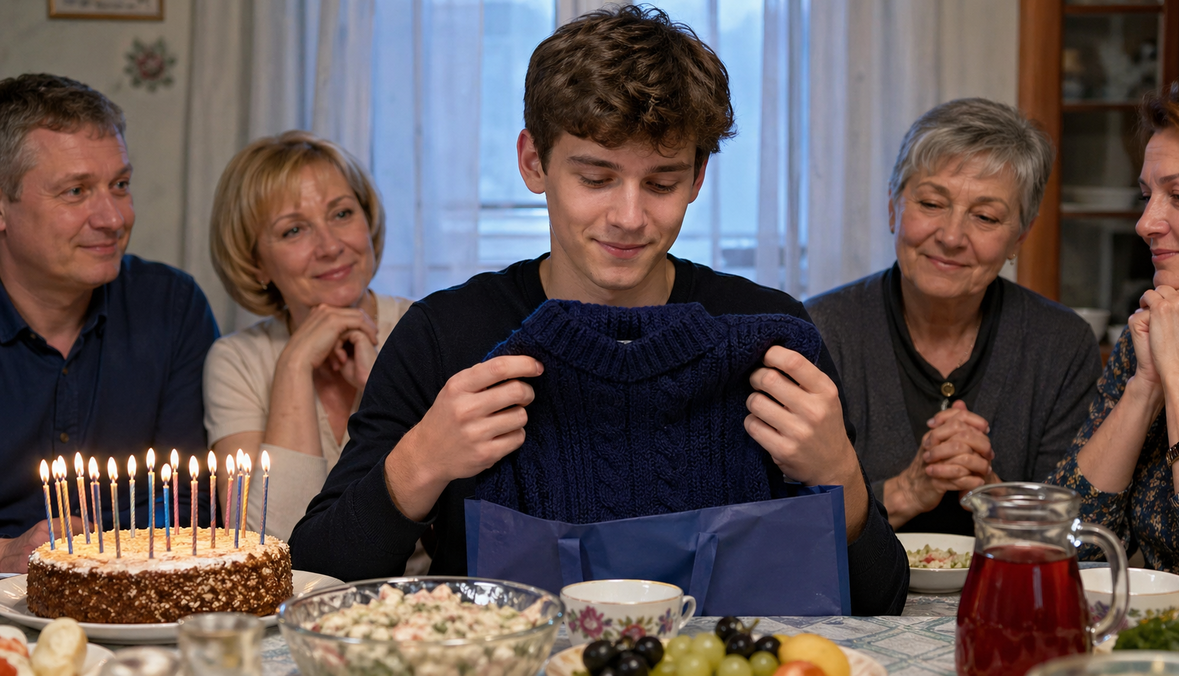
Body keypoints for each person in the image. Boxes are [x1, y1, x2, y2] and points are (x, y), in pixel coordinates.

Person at [290, 5, 908, 615]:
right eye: (595, 179)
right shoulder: (443, 336)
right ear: (534, 162)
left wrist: (839, 475)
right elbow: (315, 576)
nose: (629, 217)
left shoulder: (771, 335)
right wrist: (421, 461)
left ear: (698, 178)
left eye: (662, 183)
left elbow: (881, 598)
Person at [807, 99, 1101, 535]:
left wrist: (991, 493)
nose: (950, 237)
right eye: (931, 203)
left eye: (985, 216)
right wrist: (907, 491)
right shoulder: (820, 331)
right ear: (893, 207)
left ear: (1020, 237)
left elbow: (1080, 537)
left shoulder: (1062, 345)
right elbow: (789, 526)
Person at [0, 73, 217, 571]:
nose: (113, 219)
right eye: (76, 191)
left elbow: (191, 503)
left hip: (136, 590)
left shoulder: (170, 306)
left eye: (120, 185)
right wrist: (7, 553)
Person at [204, 131, 426, 572]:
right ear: (256, 263)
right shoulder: (236, 361)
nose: (330, 246)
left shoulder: (424, 329)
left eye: (342, 213)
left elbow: (449, 533)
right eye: (294, 230)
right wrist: (294, 365)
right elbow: (264, 555)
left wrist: (380, 389)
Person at [1048, 76, 1179, 580]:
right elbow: (1061, 550)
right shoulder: (1155, 328)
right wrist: (1145, 386)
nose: (1145, 222)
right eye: (1146, 195)